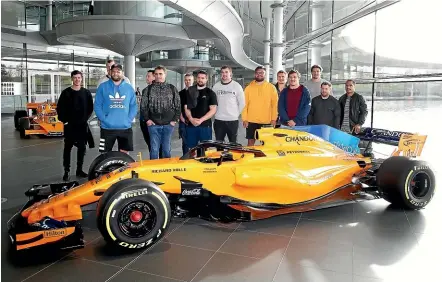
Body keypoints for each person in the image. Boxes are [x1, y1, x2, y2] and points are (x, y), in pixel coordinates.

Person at [57, 70, 94, 181]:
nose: (77, 79)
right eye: (75, 77)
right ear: (72, 79)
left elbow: (90, 108)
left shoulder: (86, 93)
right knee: (67, 148)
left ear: (81, 79)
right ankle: (66, 171)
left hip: (82, 126)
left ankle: (79, 170)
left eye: (79, 77)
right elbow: (60, 108)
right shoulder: (66, 93)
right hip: (70, 126)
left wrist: (85, 119)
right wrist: (65, 121)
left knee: (82, 148)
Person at [94, 63, 138, 153]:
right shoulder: (102, 87)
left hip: (125, 128)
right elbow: (97, 105)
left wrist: (128, 119)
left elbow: (133, 105)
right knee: (104, 154)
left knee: (124, 156)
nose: (116, 73)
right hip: (107, 128)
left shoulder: (129, 88)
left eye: (118, 71)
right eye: (113, 71)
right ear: (110, 72)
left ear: (122, 73)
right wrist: (104, 119)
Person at [140, 65, 181, 159]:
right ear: (154, 75)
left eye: (160, 74)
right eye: (156, 74)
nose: (158, 76)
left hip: (168, 125)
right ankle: (154, 171)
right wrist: (147, 120)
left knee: (166, 149)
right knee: (154, 149)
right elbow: (143, 107)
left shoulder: (172, 88)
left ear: (165, 74)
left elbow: (178, 106)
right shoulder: (148, 89)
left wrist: (174, 120)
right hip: (153, 125)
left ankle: (165, 171)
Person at [242, 66, 278, 146]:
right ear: (255, 74)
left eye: (261, 72)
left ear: (265, 74)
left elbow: (274, 105)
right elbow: (244, 105)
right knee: (250, 142)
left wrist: (273, 119)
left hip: (267, 121)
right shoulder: (248, 88)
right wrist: (245, 119)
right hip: (251, 120)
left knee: (266, 143)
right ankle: (250, 158)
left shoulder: (271, 88)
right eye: (257, 73)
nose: (259, 74)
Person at [184, 70, 217, 149]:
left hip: (205, 126)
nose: (200, 80)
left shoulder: (210, 93)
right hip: (191, 125)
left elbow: (213, 110)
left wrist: (201, 120)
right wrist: (191, 119)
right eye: (198, 77)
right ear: (196, 78)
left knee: (205, 150)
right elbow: (186, 107)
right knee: (191, 150)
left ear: (206, 79)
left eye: (202, 78)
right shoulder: (190, 91)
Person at [212, 65, 245, 143]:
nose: (224, 74)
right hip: (219, 119)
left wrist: (235, 114)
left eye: (226, 72)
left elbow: (242, 103)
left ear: (231, 74)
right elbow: (213, 102)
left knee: (233, 144)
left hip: (232, 120)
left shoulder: (237, 86)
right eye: (222, 72)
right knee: (219, 144)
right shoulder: (216, 87)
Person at [139, 69, 156, 152]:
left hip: (151, 122)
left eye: (148, 76)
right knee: (150, 144)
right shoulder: (145, 90)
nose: (146, 78)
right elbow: (143, 106)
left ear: (154, 77)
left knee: (154, 145)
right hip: (144, 121)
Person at [178, 73, 194, 154]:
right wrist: (182, 118)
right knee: (185, 142)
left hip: (194, 121)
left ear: (193, 80)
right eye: (186, 80)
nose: (187, 82)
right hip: (183, 121)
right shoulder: (180, 93)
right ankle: (186, 158)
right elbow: (178, 107)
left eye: (189, 80)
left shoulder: (197, 92)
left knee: (195, 142)